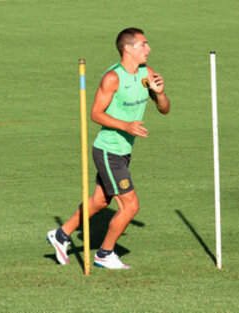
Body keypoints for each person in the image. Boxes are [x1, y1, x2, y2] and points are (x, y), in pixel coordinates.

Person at [47, 27, 170, 269]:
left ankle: (61, 235)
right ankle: (104, 253)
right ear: (128, 48)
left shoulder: (147, 73)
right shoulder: (112, 78)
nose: (149, 48)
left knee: (101, 201)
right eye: (143, 44)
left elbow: (164, 109)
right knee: (131, 205)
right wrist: (127, 126)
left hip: (123, 151)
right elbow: (95, 114)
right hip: (108, 151)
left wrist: (161, 93)